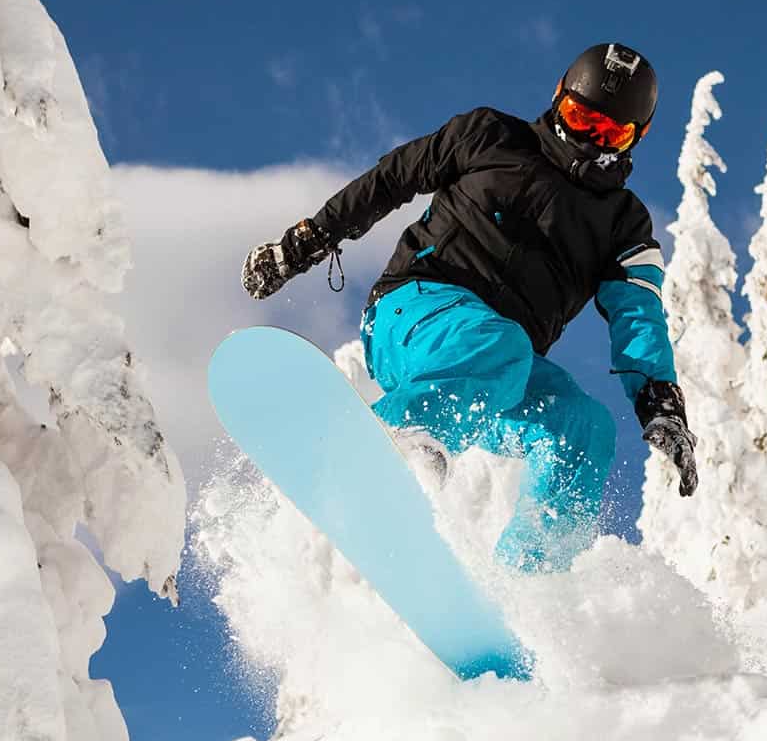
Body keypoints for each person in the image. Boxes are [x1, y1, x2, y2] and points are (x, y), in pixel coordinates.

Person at [241, 42, 697, 572]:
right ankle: (390, 451)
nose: (587, 142)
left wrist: (659, 398)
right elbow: (391, 179)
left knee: (585, 427)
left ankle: (526, 581)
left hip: (490, 377)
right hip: (411, 312)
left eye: (609, 134)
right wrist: (304, 242)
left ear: (635, 139)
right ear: (558, 98)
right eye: (580, 117)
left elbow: (637, 308)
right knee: (499, 343)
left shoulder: (623, 222)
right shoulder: (489, 135)